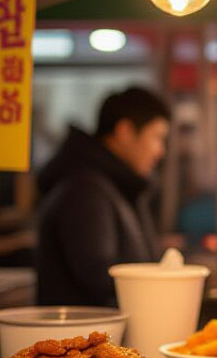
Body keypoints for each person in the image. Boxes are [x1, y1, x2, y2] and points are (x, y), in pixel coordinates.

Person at [36, 86, 170, 306]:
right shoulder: (84, 190)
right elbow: (100, 280)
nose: (160, 151)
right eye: (157, 137)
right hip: (87, 328)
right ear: (125, 131)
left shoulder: (117, 186)